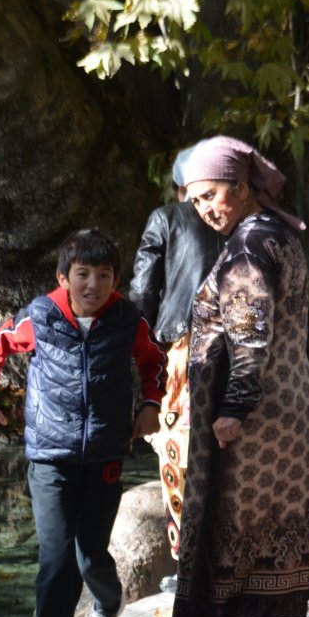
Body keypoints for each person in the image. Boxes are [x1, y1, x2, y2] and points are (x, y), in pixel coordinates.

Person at [0, 229, 166, 617]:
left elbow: (154, 360)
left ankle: (109, 599)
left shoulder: (127, 319)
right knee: (57, 557)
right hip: (50, 456)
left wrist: (151, 405)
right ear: (64, 278)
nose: (93, 285)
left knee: (90, 552)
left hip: (104, 455)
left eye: (104, 275)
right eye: (83, 274)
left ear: (116, 281)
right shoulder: (40, 316)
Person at [168, 135, 309, 617]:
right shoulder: (279, 234)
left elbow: (249, 338)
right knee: (272, 516)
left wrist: (234, 408)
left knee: (221, 517)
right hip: (292, 403)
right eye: (197, 202)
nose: (206, 210)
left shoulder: (249, 248)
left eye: (212, 195)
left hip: (248, 412)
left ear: (240, 186)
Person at [129, 145, 226, 576]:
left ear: (179, 186)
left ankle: (186, 561)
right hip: (236, 351)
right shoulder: (242, 222)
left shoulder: (167, 218)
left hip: (184, 352)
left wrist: (137, 345)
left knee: (177, 454)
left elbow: (143, 287)